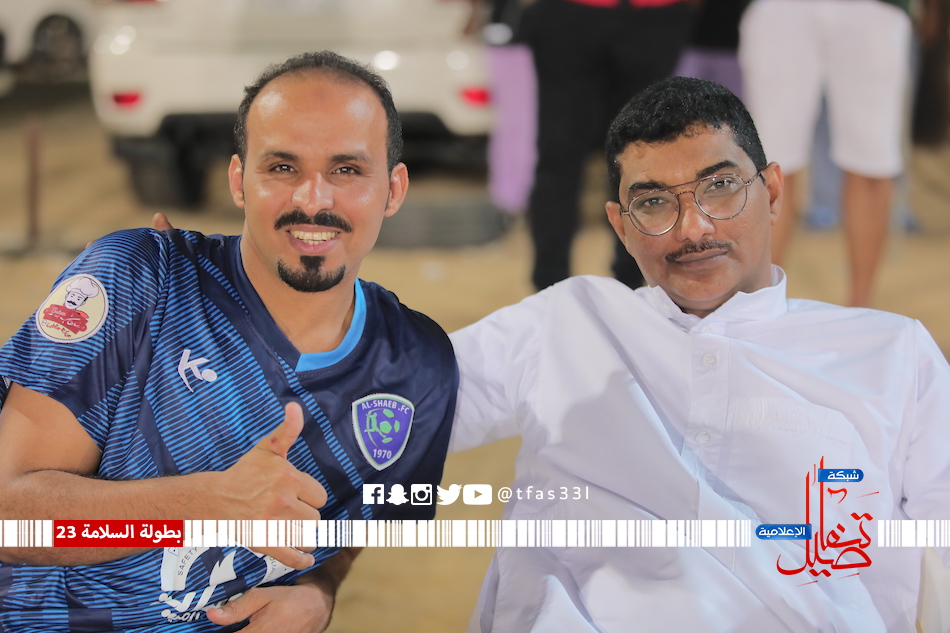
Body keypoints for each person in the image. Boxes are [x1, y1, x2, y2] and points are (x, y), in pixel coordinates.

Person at [449, 77, 950, 632]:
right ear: (621, 226)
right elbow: (398, 405)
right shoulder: (566, 323)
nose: (693, 228)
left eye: (721, 187)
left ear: (773, 193)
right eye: (653, 202)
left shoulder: (892, 354)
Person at [0, 51, 458, 632]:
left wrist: (319, 592)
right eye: (283, 167)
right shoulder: (139, 279)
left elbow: (356, 519)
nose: (313, 200)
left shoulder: (420, 366)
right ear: (240, 180)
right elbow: (9, 515)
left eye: (346, 170)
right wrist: (204, 505)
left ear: (393, 189)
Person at [738, 0, 913, 307]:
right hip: (780, 7)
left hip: (873, 7)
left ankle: (861, 310)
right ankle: (760, 308)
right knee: (768, 164)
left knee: (872, 158)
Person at [518, 0, 693, 291]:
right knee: (559, 156)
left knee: (646, 157)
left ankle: (636, 285)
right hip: (570, 16)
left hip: (655, 16)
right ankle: (551, 288)